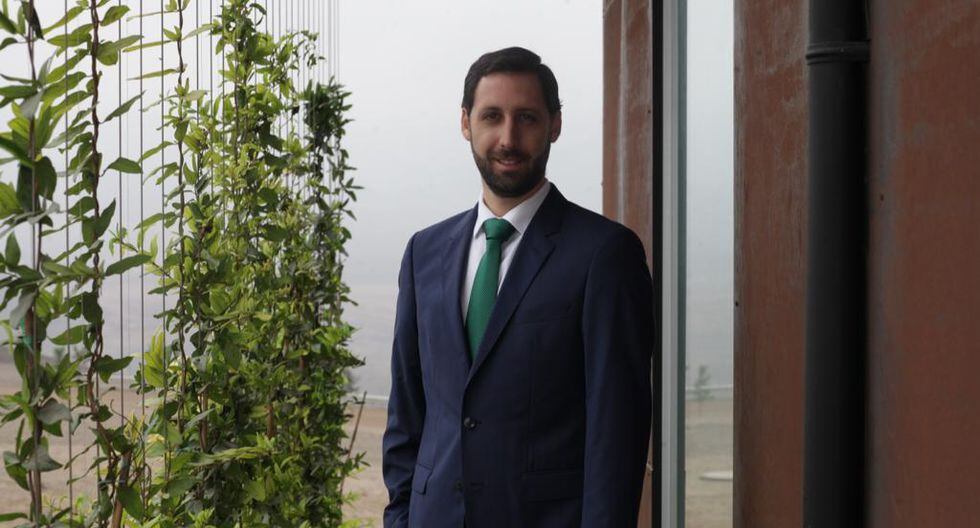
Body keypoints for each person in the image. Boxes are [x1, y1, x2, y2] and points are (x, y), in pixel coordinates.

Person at [382, 46, 654, 527]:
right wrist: (401, 517)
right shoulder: (424, 253)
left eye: (526, 117)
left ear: (555, 125)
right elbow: (407, 412)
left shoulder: (605, 255)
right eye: (492, 116)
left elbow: (617, 434)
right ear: (465, 123)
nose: (508, 138)